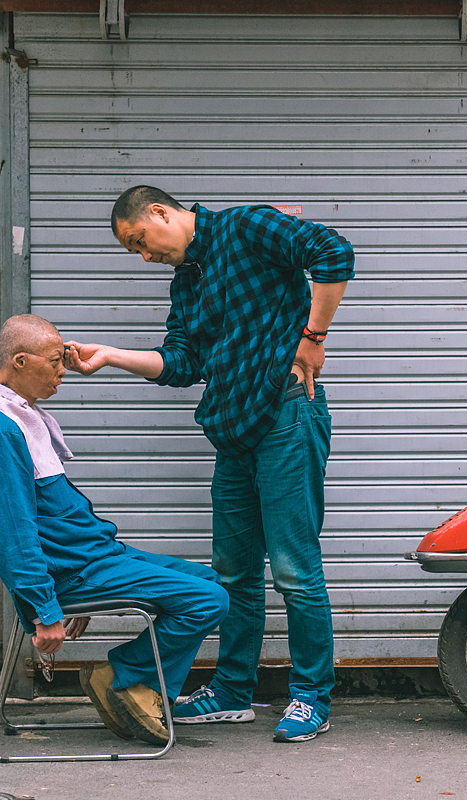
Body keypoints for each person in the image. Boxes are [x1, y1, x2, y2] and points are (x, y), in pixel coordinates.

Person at [62, 186, 353, 743]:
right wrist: (111, 357)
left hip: (287, 417)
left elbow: (333, 251)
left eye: (140, 242)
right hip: (232, 433)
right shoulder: (187, 282)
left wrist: (313, 337)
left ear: (160, 213)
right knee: (235, 573)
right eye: (135, 253)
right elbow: (181, 362)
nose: (145, 256)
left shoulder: (247, 227)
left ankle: (310, 696)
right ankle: (233, 692)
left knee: (294, 569)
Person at [0, 314, 229, 745]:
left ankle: (140, 689)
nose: (62, 372)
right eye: (54, 362)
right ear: (19, 361)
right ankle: (121, 678)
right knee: (209, 600)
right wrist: (45, 609)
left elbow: (52, 520)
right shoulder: (0, 432)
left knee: (206, 580)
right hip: (76, 572)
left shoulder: (21, 416)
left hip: (92, 559)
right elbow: (12, 535)